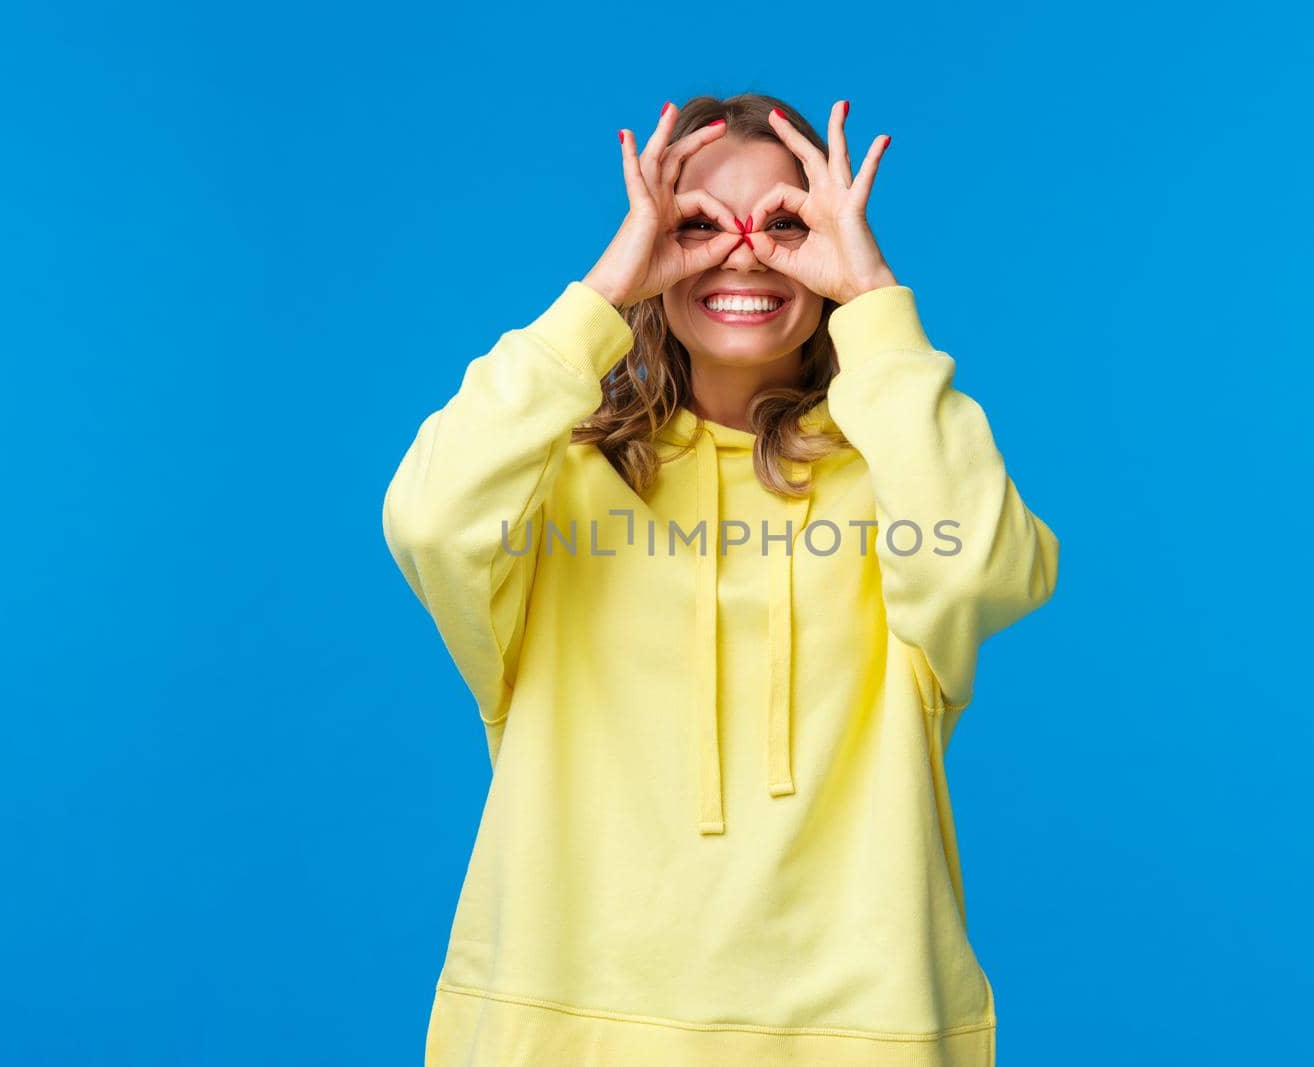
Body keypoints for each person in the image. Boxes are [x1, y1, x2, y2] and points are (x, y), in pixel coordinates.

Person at [381, 91, 1060, 1067]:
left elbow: (977, 567)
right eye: (698, 225)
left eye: (788, 224)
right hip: (560, 1018)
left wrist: (874, 306)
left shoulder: (901, 468)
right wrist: (600, 294)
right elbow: (429, 519)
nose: (743, 252)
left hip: (859, 1027)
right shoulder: (552, 481)